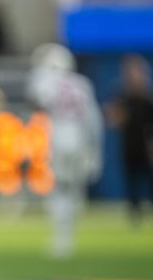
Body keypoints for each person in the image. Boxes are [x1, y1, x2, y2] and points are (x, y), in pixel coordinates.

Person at [27, 43, 103, 258]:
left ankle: (61, 238)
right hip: (78, 137)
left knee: (59, 188)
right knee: (74, 189)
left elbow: (35, 98)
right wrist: (94, 149)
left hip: (59, 137)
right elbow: (93, 120)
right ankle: (68, 235)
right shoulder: (82, 84)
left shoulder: (46, 82)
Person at [107, 54, 153, 230]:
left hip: (146, 144)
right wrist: (115, 116)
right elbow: (113, 120)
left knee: (152, 181)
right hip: (128, 144)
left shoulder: (150, 96)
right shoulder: (121, 95)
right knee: (131, 181)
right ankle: (134, 215)